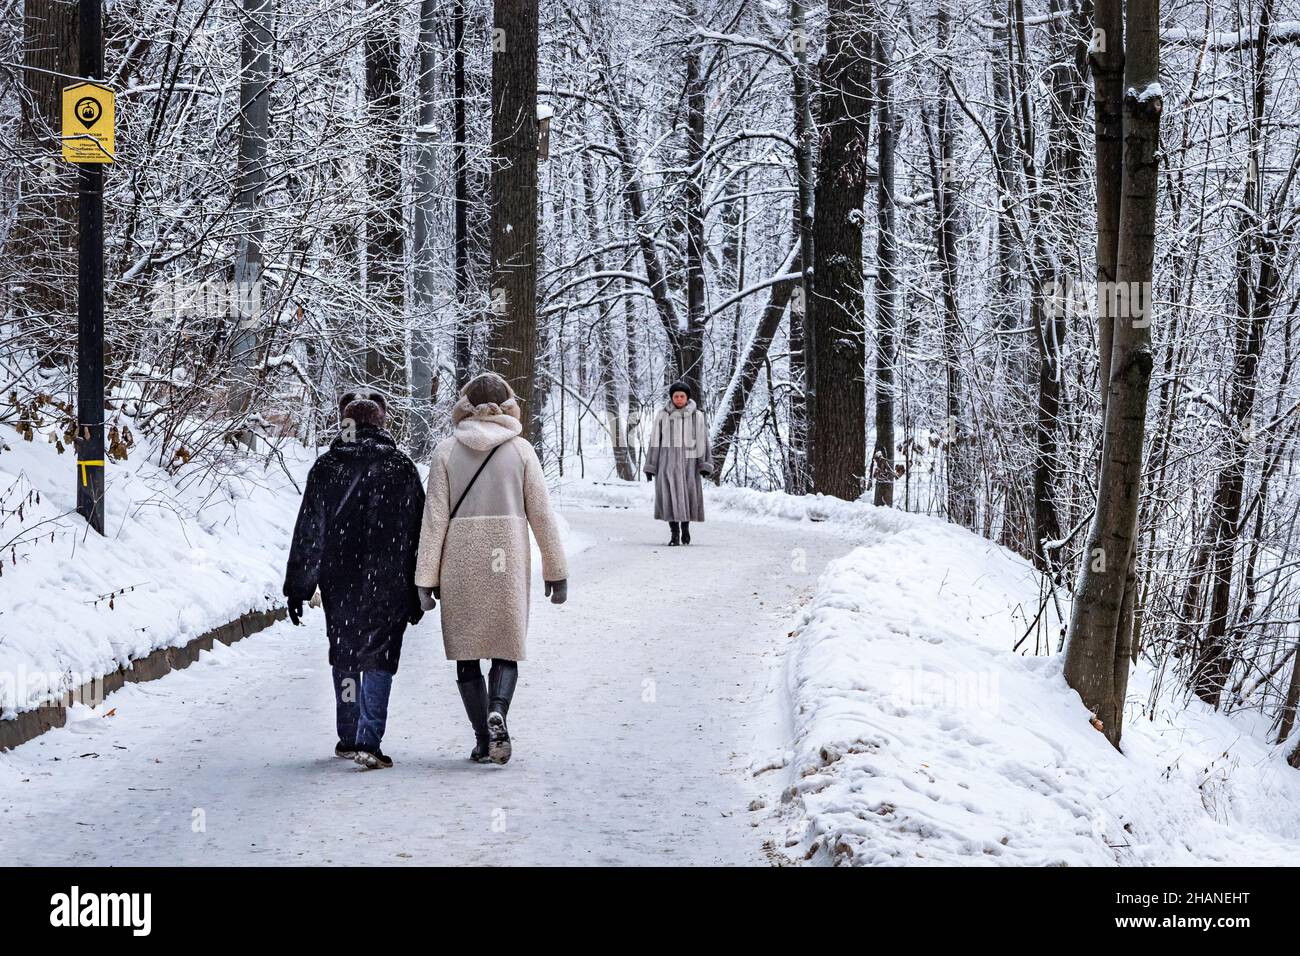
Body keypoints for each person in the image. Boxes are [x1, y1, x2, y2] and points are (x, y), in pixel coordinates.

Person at [414, 371, 568, 765]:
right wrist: (556, 570)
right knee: (505, 647)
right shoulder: (521, 451)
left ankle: (483, 739)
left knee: (467, 654)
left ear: (465, 406)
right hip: (506, 558)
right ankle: (498, 709)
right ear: (508, 405)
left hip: (461, 559)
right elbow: (542, 515)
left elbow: (434, 520)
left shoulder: (446, 452)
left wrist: (425, 579)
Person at [283, 390, 426, 770]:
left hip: (340, 580)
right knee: (381, 656)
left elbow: (310, 533)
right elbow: (420, 534)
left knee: (345, 653)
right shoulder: (401, 468)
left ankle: (348, 735)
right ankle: (369, 739)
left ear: (344, 424)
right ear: (382, 424)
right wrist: (421, 588)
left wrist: (299, 587)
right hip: (391, 580)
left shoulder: (327, 468)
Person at [643, 380, 713, 546]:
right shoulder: (663, 415)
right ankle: (674, 533)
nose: (679, 399)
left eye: (682, 396)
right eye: (676, 396)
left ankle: (685, 528)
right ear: (672, 397)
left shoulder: (697, 416)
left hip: (690, 465)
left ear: (687, 397)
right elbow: (654, 442)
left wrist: (704, 464)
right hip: (667, 465)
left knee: (687, 496)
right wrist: (651, 466)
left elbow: (702, 441)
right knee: (669, 498)